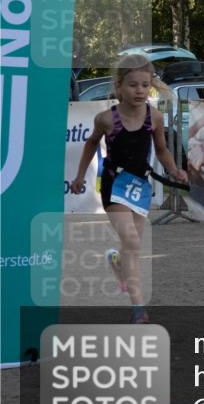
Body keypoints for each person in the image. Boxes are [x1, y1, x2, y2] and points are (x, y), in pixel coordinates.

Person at [70, 54, 188, 323]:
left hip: (140, 187)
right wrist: (79, 176)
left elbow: (162, 150)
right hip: (114, 186)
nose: (140, 91)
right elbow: (90, 145)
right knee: (132, 240)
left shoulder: (154, 118)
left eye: (145, 85)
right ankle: (138, 309)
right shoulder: (106, 119)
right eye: (133, 85)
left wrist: (173, 170)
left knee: (131, 248)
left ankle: (119, 265)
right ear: (119, 86)